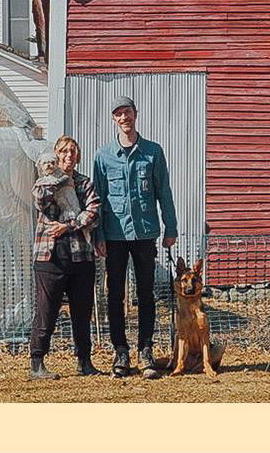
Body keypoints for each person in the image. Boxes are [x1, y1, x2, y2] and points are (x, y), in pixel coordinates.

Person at [91, 95, 177, 379]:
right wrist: (98, 235)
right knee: (114, 295)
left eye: (127, 112)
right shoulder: (103, 156)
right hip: (114, 237)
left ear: (135, 115)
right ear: (113, 119)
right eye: (118, 114)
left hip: (145, 234)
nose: (123, 118)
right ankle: (121, 352)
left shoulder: (152, 152)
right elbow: (98, 200)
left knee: (146, 294)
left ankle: (146, 350)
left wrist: (171, 229)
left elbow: (163, 192)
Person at [28, 135, 101, 380]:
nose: (69, 155)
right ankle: (37, 362)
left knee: (82, 311)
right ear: (55, 156)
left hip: (81, 256)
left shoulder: (84, 183)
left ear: (78, 155)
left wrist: (68, 226)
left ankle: (84, 361)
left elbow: (93, 212)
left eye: (73, 151)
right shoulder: (44, 182)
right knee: (46, 311)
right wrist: (57, 179)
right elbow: (41, 202)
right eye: (63, 151)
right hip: (49, 256)